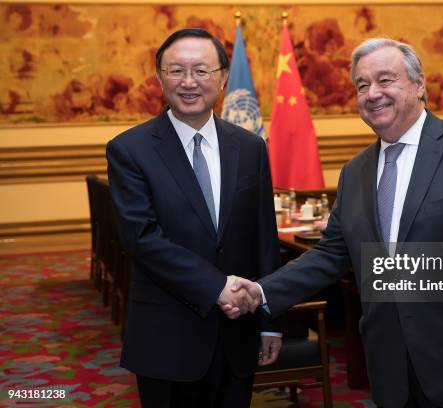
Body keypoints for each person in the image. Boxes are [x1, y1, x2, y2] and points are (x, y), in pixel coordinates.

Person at [226, 38, 443, 408]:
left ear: (419, 85)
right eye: (362, 84)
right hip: (389, 362)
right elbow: (331, 254)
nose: (373, 93)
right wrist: (261, 293)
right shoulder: (355, 171)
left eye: (386, 80)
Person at [106, 28, 282, 408]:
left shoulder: (250, 147)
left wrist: (269, 320)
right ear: (159, 78)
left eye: (201, 71)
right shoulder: (129, 150)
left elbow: (263, 236)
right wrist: (216, 287)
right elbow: (141, 238)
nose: (189, 83)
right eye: (176, 71)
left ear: (221, 79)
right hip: (167, 337)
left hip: (238, 332)